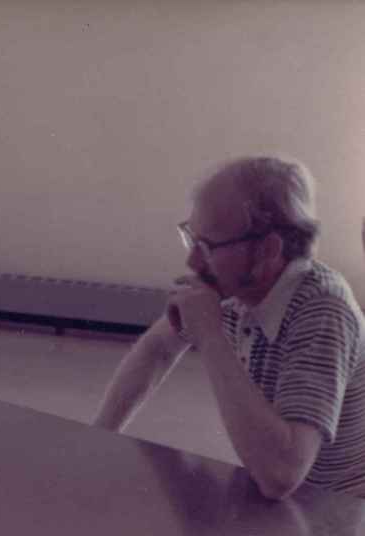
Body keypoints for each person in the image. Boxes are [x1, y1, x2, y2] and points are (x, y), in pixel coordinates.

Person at [94, 156, 365, 500]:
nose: (192, 261)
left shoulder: (323, 309)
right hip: (288, 500)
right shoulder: (235, 287)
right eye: (191, 240)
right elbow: (157, 349)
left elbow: (281, 475)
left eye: (207, 247)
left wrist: (211, 336)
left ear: (268, 250)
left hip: (343, 507)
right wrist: (98, 438)